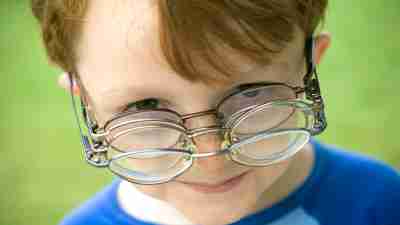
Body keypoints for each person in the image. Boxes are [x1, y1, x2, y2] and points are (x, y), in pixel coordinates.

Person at [31, 1, 400, 225]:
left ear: (307, 69)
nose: (210, 154)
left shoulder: (379, 202)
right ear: (88, 102)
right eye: (145, 106)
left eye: (249, 92)